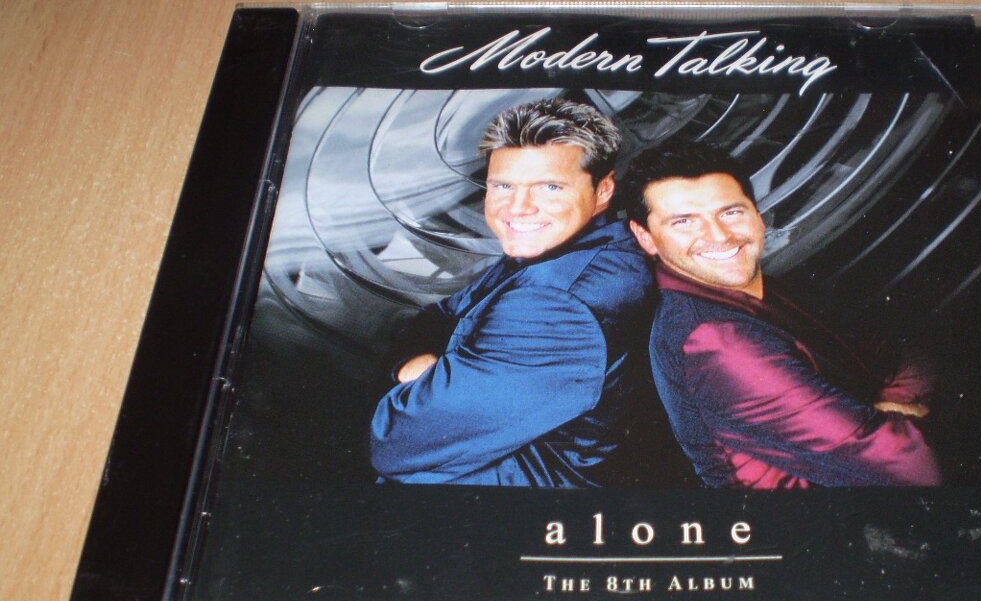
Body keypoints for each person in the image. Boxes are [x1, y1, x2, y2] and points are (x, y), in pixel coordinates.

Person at [623, 140, 940, 489]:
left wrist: (890, 404)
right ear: (645, 237)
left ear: (757, 216)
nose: (720, 236)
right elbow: (911, 467)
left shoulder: (759, 289)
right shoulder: (717, 341)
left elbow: (893, 355)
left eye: (731, 212)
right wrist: (905, 412)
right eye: (684, 222)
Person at [370, 98, 654, 486]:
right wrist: (413, 365)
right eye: (503, 186)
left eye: (550, 187)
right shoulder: (560, 250)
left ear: (603, 190)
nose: (518, 208)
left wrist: (425, 374)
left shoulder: (557, 304)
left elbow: (396, 443)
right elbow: (439, 315)